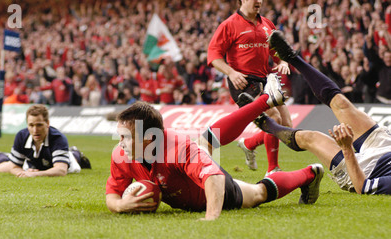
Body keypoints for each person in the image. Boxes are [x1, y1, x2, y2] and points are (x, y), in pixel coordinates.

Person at [105, 75, 324, 220]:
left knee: (258, 193)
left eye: (125, 137)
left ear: (148, 139)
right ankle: (265, 100)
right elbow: (112, 194)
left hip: (210, 192)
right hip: (188, 172)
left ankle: (310, 173)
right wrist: (121, 206)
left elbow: (215, 178)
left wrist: (211, 217)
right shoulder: (121, 154)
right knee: (207, 140)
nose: (119, 142)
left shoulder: (177, 149)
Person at [254, 30, 391, 195]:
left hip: (364, 170)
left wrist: (347, 149)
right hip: (385, 146)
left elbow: (363, 187)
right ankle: (291, 57)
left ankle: (267, 124)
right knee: (341, 103)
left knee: (312, 138)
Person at [206, 0, 291, 176]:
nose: (259, 1)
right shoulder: (229, 25)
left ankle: (249, 144)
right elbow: (214, 55)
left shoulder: (267, 24)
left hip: (264, 80)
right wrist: (231, 73)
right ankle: (273, 169)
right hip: (243, 82)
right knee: (274, 116)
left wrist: (282, 62)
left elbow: (276, 51)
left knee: (287, 127)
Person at [0, 104, 91, 177]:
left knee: (72, 161)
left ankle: (76, 153)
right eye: (31, 125)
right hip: (34, 164)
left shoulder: (58, 138)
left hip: (60, 164)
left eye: (39, 125)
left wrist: (35, 175)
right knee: (1, 168)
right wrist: (22, 173)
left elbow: (61, 171)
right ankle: (0, 156)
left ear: (47, 123)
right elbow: (14, 167)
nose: (35, 130)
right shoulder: (21, 136)